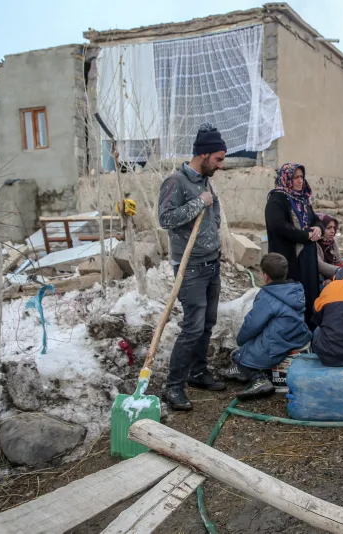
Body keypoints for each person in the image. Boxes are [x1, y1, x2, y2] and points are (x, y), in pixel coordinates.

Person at [157, 123, 228, 410]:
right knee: (192, 327)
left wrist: (212, 218)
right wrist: (199, 202)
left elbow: (214, 210)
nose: (221, 165)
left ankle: (198, 373)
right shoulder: (176, 181)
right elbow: (165, 219)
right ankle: (173, 387)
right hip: (191, 268)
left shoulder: (205, 181)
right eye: (219, 159)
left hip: (212, 263)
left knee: (207, 324)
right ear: (204, 155)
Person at [222, 253, 312, 400]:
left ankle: (258, 379)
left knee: (241, 355)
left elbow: (253, 324)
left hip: (277, 344)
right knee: (253, 347)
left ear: (265, 276)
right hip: (298, 337)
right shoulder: (296, 290)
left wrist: (241, 341)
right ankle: (243, 369)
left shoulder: (267, 296)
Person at [265, 163, 326, 327]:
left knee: (309, 293)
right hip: (288, 257)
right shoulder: (277, 198)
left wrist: (319, 229)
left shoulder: (302, 199)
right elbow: (278, 226)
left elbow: (316, 220)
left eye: (301, 177)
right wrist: (306, 236)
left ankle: (310, 330)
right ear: (286, 178)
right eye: (295, 177)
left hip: (307, 257)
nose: (299, 181)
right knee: (292, 297)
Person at [317, 213, 342, 280]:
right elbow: (319, 266)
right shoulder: (313, 243)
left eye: (334, 228)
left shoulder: (332, 242)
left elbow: (338, 261)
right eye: (328, 228)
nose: (333, 231)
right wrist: (340, 270)